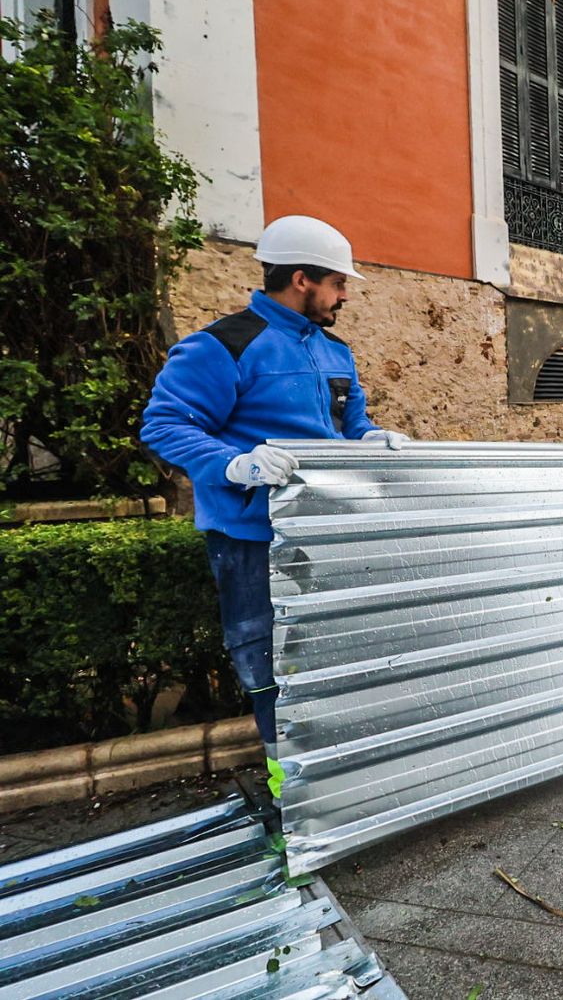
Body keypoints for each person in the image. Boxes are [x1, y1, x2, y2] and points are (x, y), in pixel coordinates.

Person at [141, 215, 409, 797]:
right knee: (264, 658)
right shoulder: (222, 345)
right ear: (301, 279)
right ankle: (288, 785)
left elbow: (349, 425)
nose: (343, 296)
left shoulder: (336, 351)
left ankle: (339, 777)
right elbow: (164, 425)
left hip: (324, 534)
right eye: (338, 284)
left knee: (331, 654)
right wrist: (234, 465)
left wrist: (370, 439)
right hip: (249, 537)